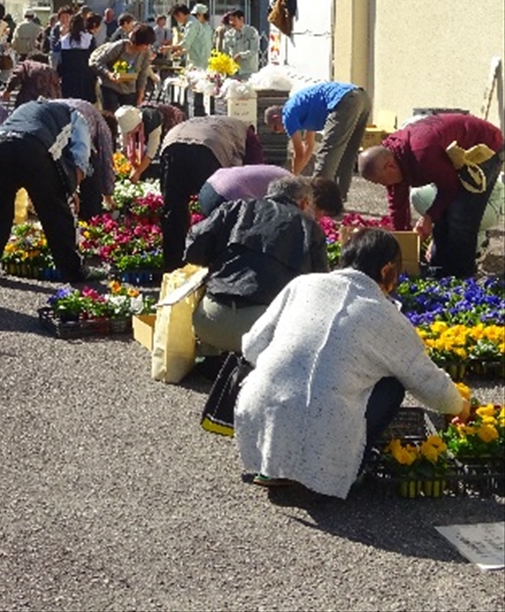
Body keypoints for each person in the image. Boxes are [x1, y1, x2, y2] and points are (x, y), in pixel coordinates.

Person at [235, 228, 470, 497]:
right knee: (392, 385)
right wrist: (460, 406)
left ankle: (273, 463)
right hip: (325, 431)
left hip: (258, 414)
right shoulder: (383, 313)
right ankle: (343, 468)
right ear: (386, 270)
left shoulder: (302, 284)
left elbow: (252, 346)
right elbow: (427, 380)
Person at [187, 177, 329, 354]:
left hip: (209, 320)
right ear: (304, 202)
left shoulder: (236, 207)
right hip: (262, 333)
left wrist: (216, 262)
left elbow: (193, 248)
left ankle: (211, 356)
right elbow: (320, 288)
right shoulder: (309, 228)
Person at [359, 112, 504, 278]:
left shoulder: (422, 154)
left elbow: (449, 187)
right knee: (443, 215)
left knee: (462, 217)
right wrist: (404, 245)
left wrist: (428, 217)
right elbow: (397, 205)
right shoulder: (393, 155)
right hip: (450, 152)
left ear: (389, 166)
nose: (384, 186)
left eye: (381, 181)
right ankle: (440, 269)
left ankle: (462, 276)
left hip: (484, 146)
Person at [0, 99, 92, 284]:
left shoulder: (27, 107)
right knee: (54, 211)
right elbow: (80, 157)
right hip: (34, 146)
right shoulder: (75, 116)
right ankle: (72, 271)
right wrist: (70, 191)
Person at [159, 115, 264, 270]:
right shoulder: (247, 132)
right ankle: (213, 264)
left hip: (173, 142)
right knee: (217, 211)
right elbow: (253, 170)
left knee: (173, 209)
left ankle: (174, 265)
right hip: (209, 148)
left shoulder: (221, 125)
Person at [264, 82, 371, 202]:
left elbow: (298, 153)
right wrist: (298, 173)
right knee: (347, 154)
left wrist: (292, 178)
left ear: (276, 118)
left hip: (344, 100)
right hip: (362, 98)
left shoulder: (287, 115)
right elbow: (309, 145)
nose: (279, 132)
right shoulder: (301, 107)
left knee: (328, 152)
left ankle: (316, 200)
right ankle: (339, 199)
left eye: (275, 129)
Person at [56, 97, 117, 220]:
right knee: (91, 176)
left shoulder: (87, 109)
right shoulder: (102, 126)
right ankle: (91, 218)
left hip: (50, 124)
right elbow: (105, 159)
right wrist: (108, 194)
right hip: (70, 127)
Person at [89, 23, 155, 112]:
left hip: (129, 89)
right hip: (110, 87)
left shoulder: (145, 53)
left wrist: (140, 95)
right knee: (111, 115)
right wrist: (108, 74)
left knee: (128, 116)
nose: (146, 47)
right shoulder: (119, 47)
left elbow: (143, 74)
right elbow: (99, 62)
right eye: (145, 44)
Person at [115, 103, 165, 183]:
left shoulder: (152, 121)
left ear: (138, 125)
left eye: (131, 131)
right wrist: (132, 164)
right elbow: (124, 147)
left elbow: (151, 152)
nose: (129, 133)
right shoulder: (124, 121)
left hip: (167, 124)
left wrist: (138, 172)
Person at [58, 13, 96, 101]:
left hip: (69, 77)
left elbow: (61, 61)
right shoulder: (89, 38)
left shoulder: (65, 40)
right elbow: (93, 58)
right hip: (85, 77)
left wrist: (59, 74)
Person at [222, 10, 260, 76]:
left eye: (234, 20)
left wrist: (241, 55)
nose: (231, 23)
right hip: (233, 72)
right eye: (230, 20)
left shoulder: (252, 32)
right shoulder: (228, 35)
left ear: (241, 19)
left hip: (248, 72)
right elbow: (225, 52)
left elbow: (254, 50)